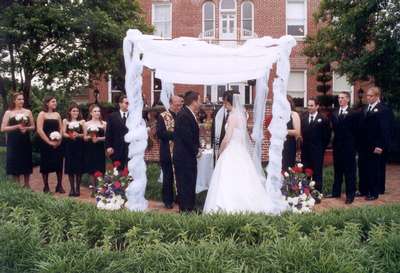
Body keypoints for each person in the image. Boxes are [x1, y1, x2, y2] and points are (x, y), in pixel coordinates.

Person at [203, 92, 288, 214]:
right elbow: (242, 137)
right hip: (240, 150)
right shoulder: (242, 115)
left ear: (228, 101)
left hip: (231, 149)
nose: (223, 104)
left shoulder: (232, 116)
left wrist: (220, 151)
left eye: (224, 101)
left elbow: (227, 137)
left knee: (228, 179)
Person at [358, 86, 391, 200]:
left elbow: (385, 129)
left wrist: (380, 145)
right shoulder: (366, 108)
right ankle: (363, 190)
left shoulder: (383, 109)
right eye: (367, 95)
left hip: (375, 145)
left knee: (374, 169)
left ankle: (374, 192)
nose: (368, 98)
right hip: (364, 145)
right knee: (363, 167)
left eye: (371, 96)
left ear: (377, 96)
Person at [173, 91, 200, 212]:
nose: (201, 103)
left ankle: (190, 207)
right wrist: (196, 150)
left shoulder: (189, 113)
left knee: (190, 182)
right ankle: (185, 210)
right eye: (199, 100)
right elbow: (186, 137)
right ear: (194, 101)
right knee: (184, 183)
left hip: (187, 156)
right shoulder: (184, 115)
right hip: (184, 157)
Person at [1, 92, 35, 188]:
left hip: (25, 141)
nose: (21, 101)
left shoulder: (28, 112)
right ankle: (17, 187)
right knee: (15, 163)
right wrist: (17, 126)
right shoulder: (9, 112)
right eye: (19, 99)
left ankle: (27, 185)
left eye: (22, 99)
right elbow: (3, 128)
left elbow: (33, 126)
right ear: (14, 101)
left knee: (26, 162)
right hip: (13, 142)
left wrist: (26, 128)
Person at [329, 92, 358, 204]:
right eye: (339, 98)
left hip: (349, 147)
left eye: (342, 98)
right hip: (337, 146)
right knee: (338, 170)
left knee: (350, 172)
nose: (340, 100)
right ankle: (336, 192)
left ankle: (350, 195)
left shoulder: (353, 113)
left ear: (348, 100)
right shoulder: (335, 113)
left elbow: (357, 131)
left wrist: (355, 146)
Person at [156, 95, 183, 209]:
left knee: (180, 176)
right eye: (177, 105)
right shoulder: (163, 116)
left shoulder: (182, 115)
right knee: (168, 177)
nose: (179, 107)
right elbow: (160, 133)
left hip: (180, 152)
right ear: (171, 104)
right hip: (167, 151)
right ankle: (168, 200)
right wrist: (176, 135)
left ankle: (179, 198)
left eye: (181, 105)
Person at [301, 98, 331, 192]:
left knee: (317, 173)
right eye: (308, 105)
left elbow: (327, 136)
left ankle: (317, 194)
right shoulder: (303, 117)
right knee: (306, 173)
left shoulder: (323, 119)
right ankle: (306, 193)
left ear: (317, 106)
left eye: (311, 105)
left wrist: (321, 148)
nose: (309, 107)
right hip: (305, 151)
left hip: (317, 151)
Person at [36, 96, 64, 193]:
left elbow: (61, 128)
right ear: (47, 103)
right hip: (45, 143)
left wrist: (59, 140)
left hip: (58, 143)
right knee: (45, 165)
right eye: (53, 101)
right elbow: (39, 130)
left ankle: (59, 185)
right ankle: (46, 186)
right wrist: (49, 142)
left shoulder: (57, 114)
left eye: (55, 101)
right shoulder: (42, 114)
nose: (55, 103)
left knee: (59, 164)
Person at [62, 103, 85, 196]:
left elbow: (85, 134)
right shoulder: (65, 121)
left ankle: (77, 188)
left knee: (79, 168)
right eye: (73, 111)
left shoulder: (82, 121)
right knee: (70, 167)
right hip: (69, 145)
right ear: (69, 112)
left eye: (77, 111)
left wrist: (78, 135)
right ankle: (72, 189)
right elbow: (63, 133)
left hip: (79, 145)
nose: (75, 112)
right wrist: (70, 135)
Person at [84, 104, 107, 187]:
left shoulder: (104, 124)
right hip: (90, 148)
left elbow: (107, 137)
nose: (97, 113)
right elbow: (85, 137)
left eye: (98, 111)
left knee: (101, 168)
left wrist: (98, 139)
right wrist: (91, 136)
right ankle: (93, 189)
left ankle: (100, 187)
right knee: (92, 168)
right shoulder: (86, 124)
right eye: (95, 111)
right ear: (91, 113)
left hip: (100, 148)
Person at [106, 95, 129, 169]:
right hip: (117, 149)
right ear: (120, 104)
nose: (128, 105)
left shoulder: (134, 116)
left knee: (131, 174)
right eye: (126, 103)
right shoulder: (112, 116)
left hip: (131, 149)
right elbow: (109, 133)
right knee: (118, 174)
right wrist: (109, 146)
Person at [282, 95, 301, 171]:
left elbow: (297, 132)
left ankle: (288, 182)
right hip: (279, 145)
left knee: (288, 167)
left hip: (289, 145)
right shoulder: (279, 115)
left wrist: (283, 131)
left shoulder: (294, 114)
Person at [211, 91, 231, 164]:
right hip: (219, 142)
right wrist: (212, 144)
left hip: (231, 145)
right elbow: (213, 129)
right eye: (224, 100)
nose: (225, 102)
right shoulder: (217, 111)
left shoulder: (237, 112)